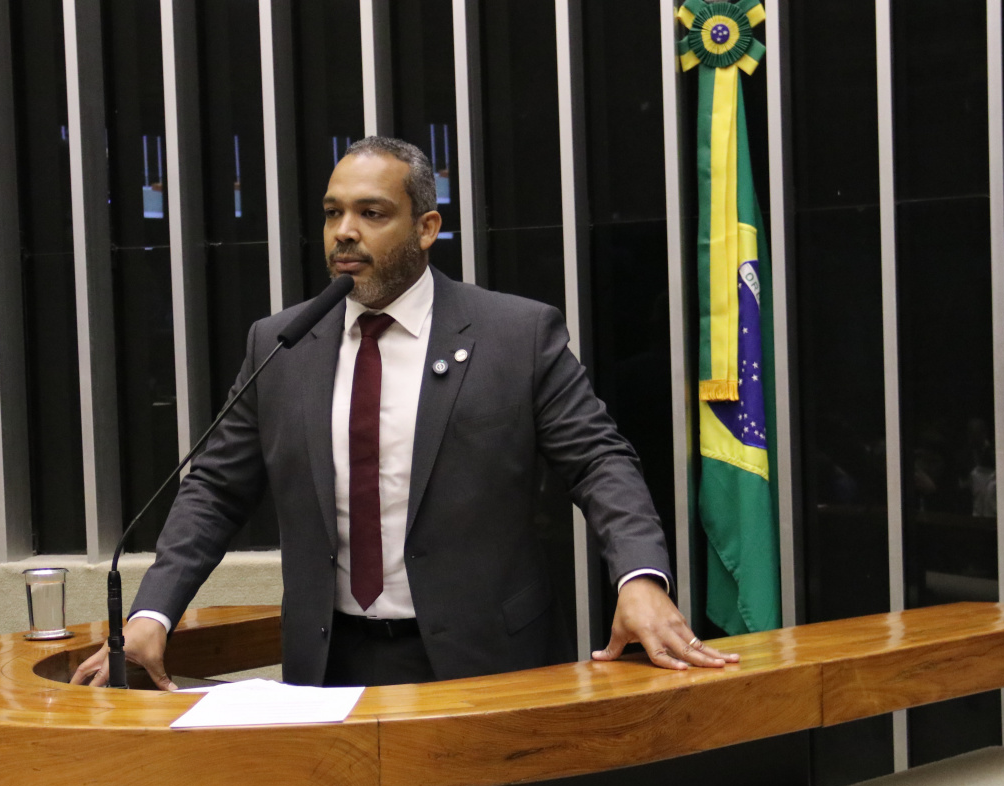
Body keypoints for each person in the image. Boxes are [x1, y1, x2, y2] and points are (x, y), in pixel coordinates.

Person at [72, 136, 737, 690]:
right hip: (329, 663)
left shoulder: (516, 334)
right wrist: (152, 614)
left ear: (426, 228)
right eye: (333, 213)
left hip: (488, 659)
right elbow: (215, 491)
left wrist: (639, 577)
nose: (345, 231)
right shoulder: (282, 344)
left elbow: (598, 462)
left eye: (371, 213)